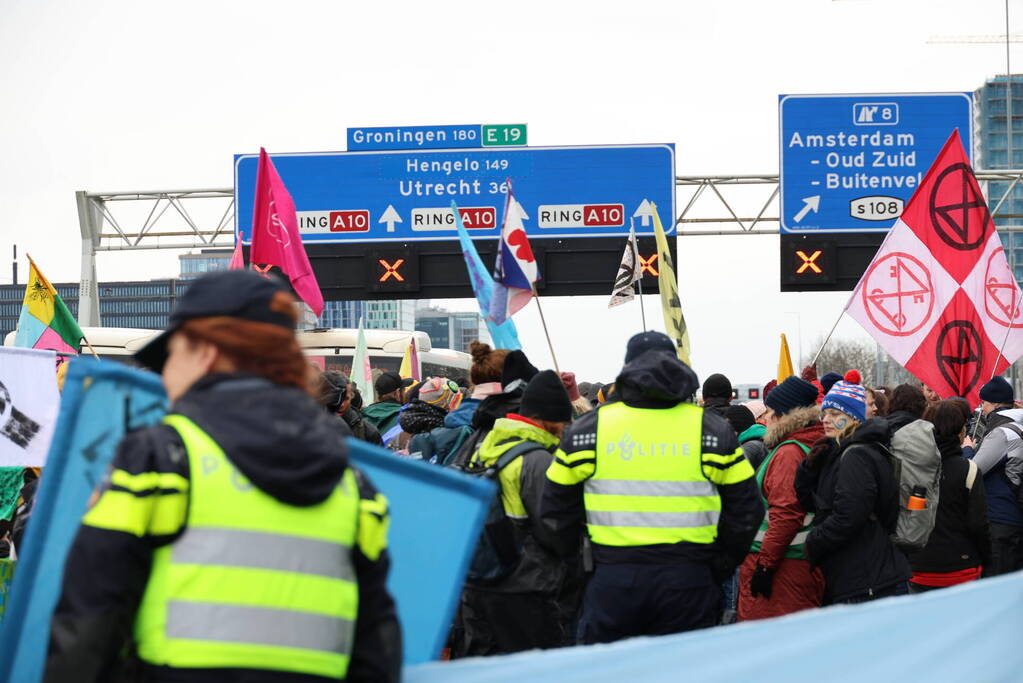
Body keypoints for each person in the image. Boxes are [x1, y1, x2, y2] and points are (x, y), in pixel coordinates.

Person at [45, 271, 401, 683]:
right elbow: (379, 643)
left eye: (170, 357)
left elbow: (89, 616)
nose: (165, 375)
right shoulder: (353, 486)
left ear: (204, 353)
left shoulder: (160, 460)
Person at [542, 331, 764, 644]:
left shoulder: (588, 430)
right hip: (690, 580)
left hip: (612, 579)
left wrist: (581, 568)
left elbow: (552, 512)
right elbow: (747, 510)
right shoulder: (712, 431)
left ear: (627, 370)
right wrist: (718, 566)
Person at [458, 371, 579, 655]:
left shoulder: (485, 445)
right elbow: (554, 529)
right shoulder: (538, 461)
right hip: (526, 588)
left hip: (478, 582)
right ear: (550, 420)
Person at [794, 381, 910, 604]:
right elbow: (812, 502)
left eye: (835, 413)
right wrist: (809, 469)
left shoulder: (856, 456)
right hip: (857, 573)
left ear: (854, 417)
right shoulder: (838, 450)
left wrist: (814, 541)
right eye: (824, 413)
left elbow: (849, 515)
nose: (825, 419)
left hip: (865, 577)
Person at [738, 376, 825, 621]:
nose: (765, 419)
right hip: (793, 564)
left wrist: (765, 566)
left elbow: (786, 514)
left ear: (785, 416)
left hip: (782, 569)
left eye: (771, 412)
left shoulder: (789, 453)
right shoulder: (801, 446)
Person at [908, 400, 991, 592]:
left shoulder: (914, 468)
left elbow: (913, 515)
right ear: (960, 431)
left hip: (921, 567)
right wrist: (987, 559)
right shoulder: (968, 469)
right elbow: (978, 523)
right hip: (961, 566)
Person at [963, 376, 1023, 575]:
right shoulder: (1018, 426)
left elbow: (974, 470)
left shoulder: (1002, 433)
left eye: (984, 403)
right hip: (1015, 515)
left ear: (995, 403)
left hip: (1001, 519)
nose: (982, 409)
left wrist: (967, 449)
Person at [320, 371, 383, 446]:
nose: (341, 404)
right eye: (335, 399)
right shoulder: (308, 426)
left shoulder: (369, 432)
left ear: (352, 397)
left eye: (346, 399)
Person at [363, 370, 414, 437]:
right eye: (404, 390)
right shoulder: (406, 418)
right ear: (397, 393)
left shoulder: (363, 416)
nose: (405, 394)